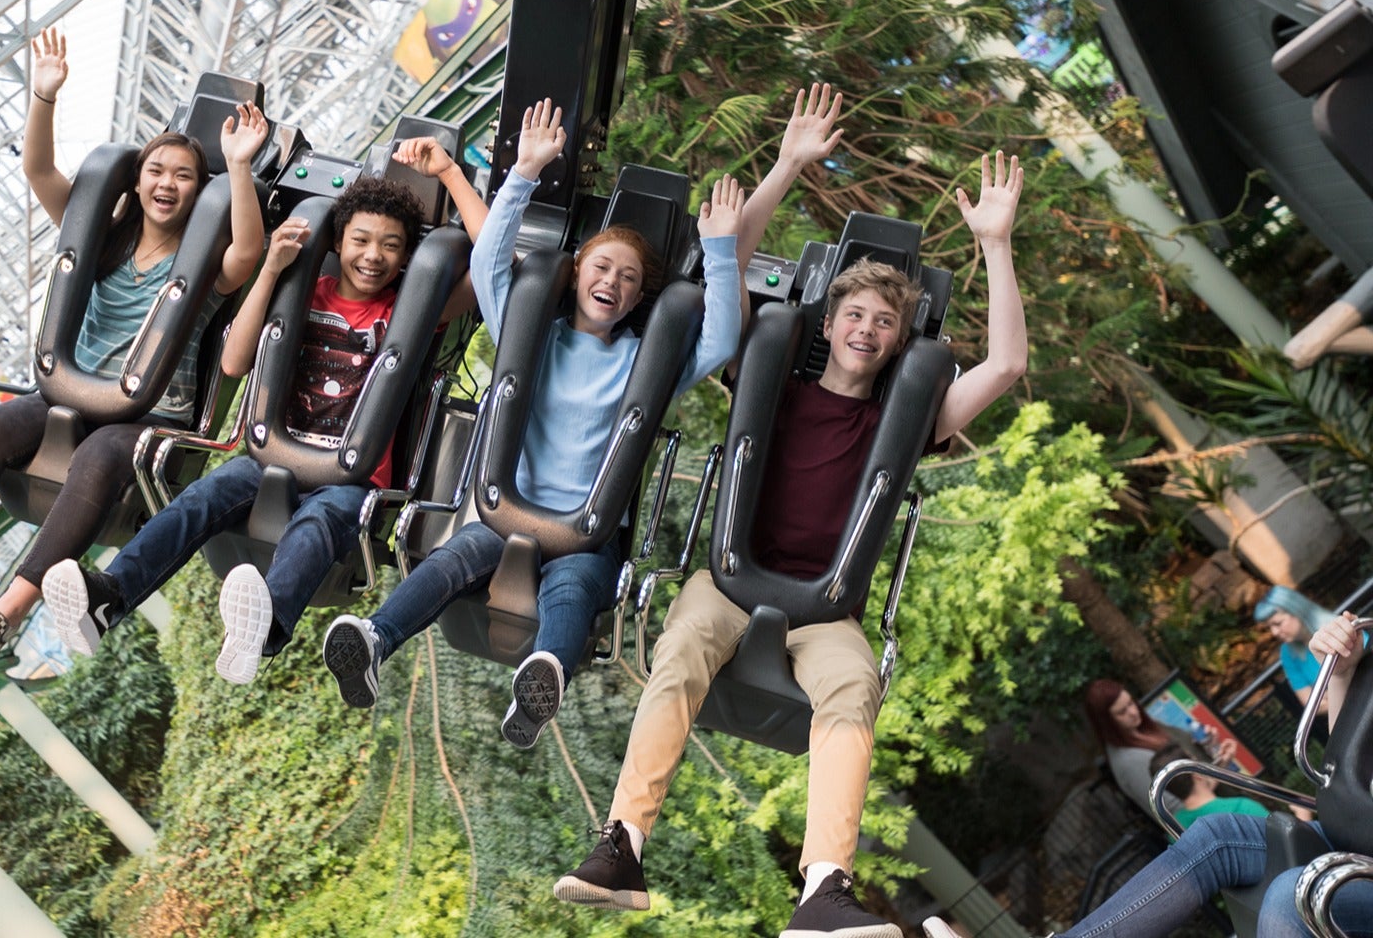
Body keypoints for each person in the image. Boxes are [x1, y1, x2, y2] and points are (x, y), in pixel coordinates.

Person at [555, 138, 1027, 938]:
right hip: (732, 582)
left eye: (885, 322)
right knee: (680, 649)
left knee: (853, 691)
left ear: (898, 341)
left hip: (825, 611)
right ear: (828, 324)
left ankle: (823, 892)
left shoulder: (906, 421)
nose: (867, 330)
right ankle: (623, 844)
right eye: (854, 316)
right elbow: (723, 283)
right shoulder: (769, 379)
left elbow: (1008, 366)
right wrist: (783, 172)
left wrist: (996, 244)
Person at [318, 92, 758, 752]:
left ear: (639, 298)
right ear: (578, 273)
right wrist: (523, 172)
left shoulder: (644, 362)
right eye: (602, 267)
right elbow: (489, 261)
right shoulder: (532, 334)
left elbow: (721, 340)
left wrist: (721, 252)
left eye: (629, 279)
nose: (612, 282)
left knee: (576, 587)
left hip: (584, 529)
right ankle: (376, 637)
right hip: (505, 511)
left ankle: (545, 671)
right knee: (453, 561)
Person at [0, 26, 267, 663]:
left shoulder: (204, 265)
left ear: (198, 191)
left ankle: (8, 611)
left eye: (184, 176)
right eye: (155, 170)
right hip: (76, 388)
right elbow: (39, 169)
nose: (167, 184)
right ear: (135, 179)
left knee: (97, 457)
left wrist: (236, 166)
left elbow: (248, 251)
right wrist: (44, 97)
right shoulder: (104, 238)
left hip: (150, 415)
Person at [42, 149, 487, 680]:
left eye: (391, 247)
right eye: (361, 241)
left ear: (407, 258)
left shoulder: (409, 314)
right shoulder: (303, 293)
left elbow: (489, 266)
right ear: (337, 243)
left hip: (350, 476)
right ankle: (110, 597)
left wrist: (450, 175)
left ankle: (262, 629)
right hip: (271, 452)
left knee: (318, 523)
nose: (373, 256)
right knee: (200, 500)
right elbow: (234, 361)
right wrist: (273, 270)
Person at [924, 610, 1373, 938]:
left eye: (1127, 704)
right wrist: (1343, 672)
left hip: (1351, 864)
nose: (1129, 712)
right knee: (1217, 835)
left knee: (1291, 896)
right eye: (1120, 710)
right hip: (1353, 840)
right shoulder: (1129, 759)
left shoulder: (1153, 735)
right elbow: (1348, 772)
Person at [1083, 678, 1233, 811]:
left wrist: (1209, 746)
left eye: (1131, 703)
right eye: (1122, 712)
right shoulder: (1129, 762)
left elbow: (1192, 754)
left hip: (1224, 801)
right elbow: (1178, 808)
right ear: (1107, 722)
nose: (1133, 712)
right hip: (1214, 818)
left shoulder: (1145, 728)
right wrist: (1219, 769)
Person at [1148, 744, 1268, 831]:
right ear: (1195, 773)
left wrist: (1222, 764)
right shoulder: (1243, 809)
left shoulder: (1176, 828)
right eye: (1197, 763)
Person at [1258, 585, 1335, 706]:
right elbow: (1310, 704)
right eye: (1269, 627)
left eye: (1277, 623)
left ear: (1297, 611)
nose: (1274, 632)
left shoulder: (1335, 627)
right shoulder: (1287, 653)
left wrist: (1326, 696)